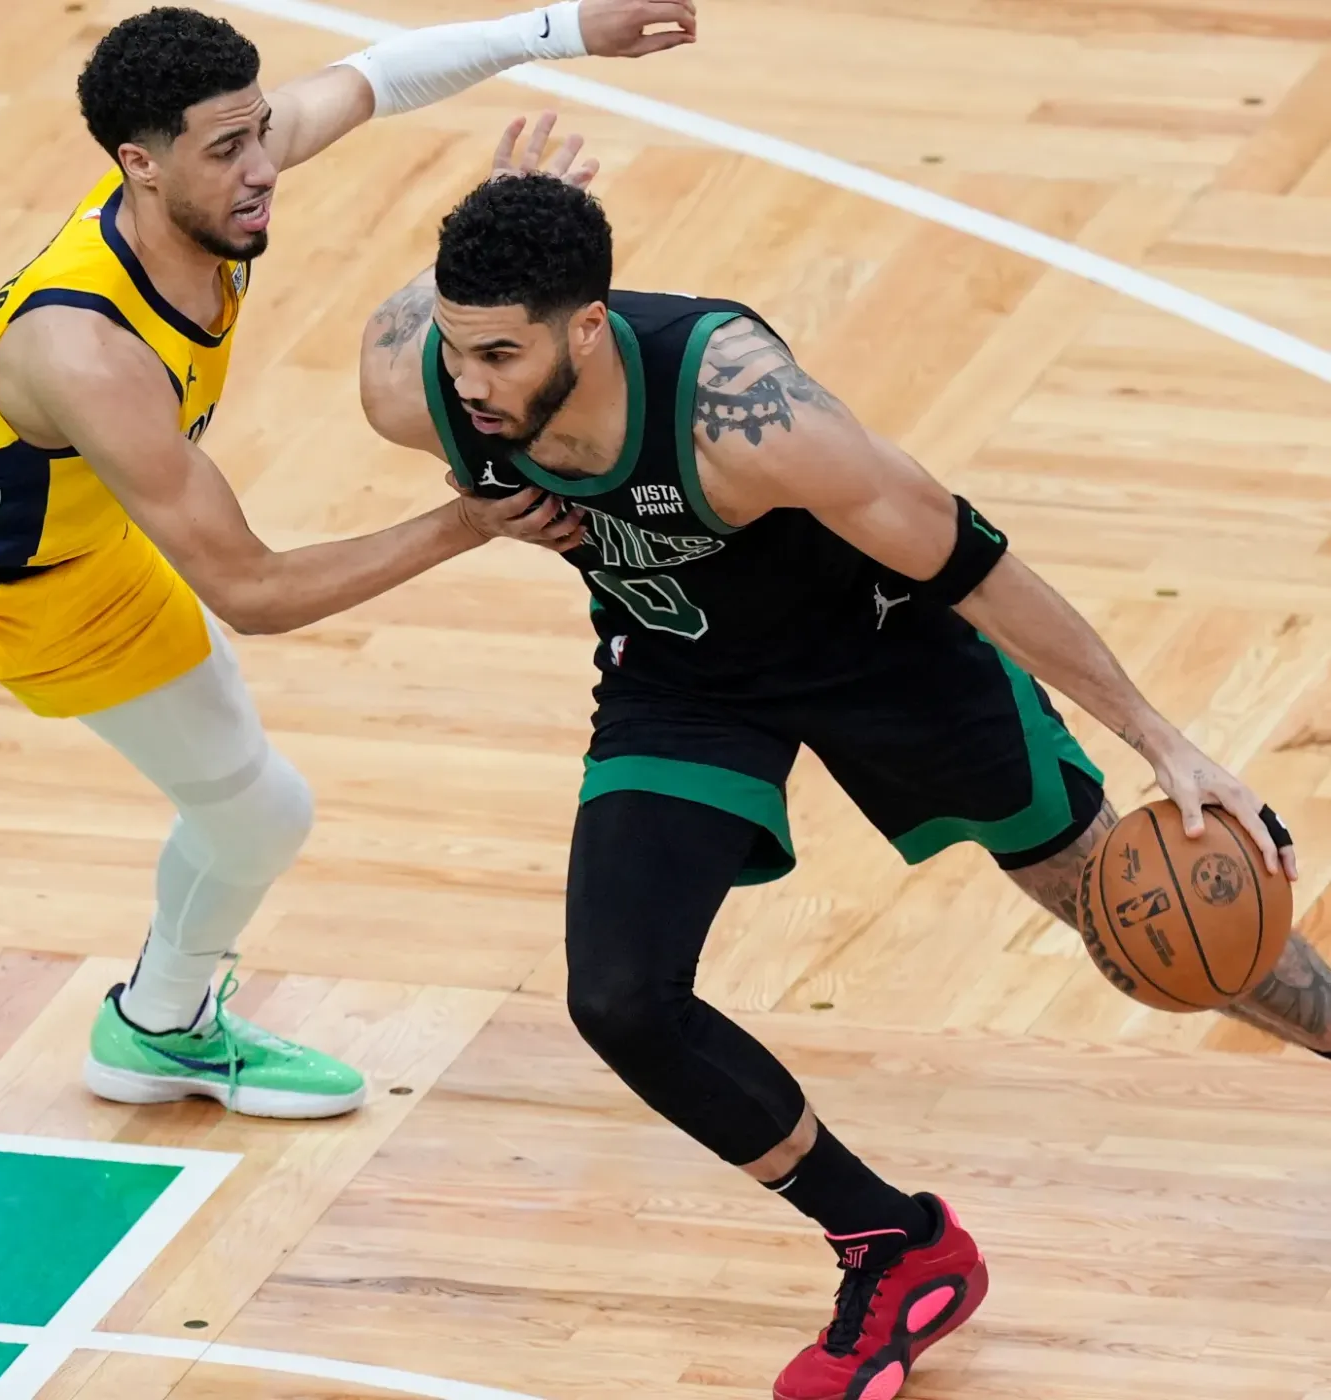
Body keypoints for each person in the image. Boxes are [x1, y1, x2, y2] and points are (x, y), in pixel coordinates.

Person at [358, 124, 1327, 1400]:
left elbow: (967, 559)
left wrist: (1162, 737)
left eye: (502, 351)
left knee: (1140, 917)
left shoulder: (745, 413)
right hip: (685, 676)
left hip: (886, 656)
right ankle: (897, 1247)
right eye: (458, 342)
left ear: (587, 327)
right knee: (619, 996)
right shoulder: (407, 377)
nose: (470, 382)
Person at [0, 1, 694, 1119]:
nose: (262, 168)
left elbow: (377, 72)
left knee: (257, 814)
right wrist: (464, 522)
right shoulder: (84, 349)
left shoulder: (211, 183)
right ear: (140, 166)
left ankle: (160, 1028)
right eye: (228, 149)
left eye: (259, 134)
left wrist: (568, 26)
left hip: (76, 566)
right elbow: (254, 590)